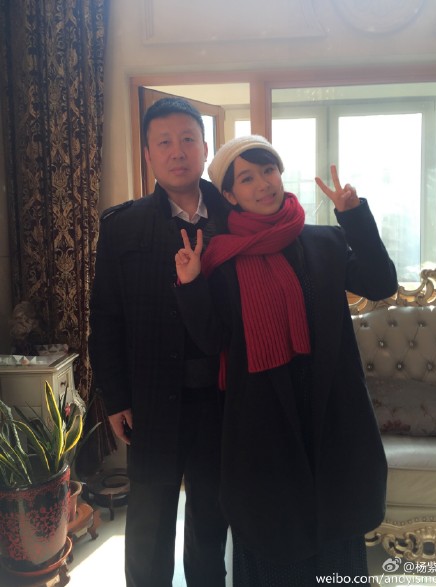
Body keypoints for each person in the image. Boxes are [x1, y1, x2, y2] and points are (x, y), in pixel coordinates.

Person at [173, 135, 398, 586]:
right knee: (276, 548)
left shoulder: (324, 242)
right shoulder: (221, 260)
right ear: (229, 195)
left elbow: (381, 283)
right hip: (264, 426)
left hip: (331, 416)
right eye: (247, 178)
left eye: (268, 170)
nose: (263, 184)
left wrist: (353, 215)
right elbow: (211, 338)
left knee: (338, 547)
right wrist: (191, 283)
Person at [88, 97, 229, 587]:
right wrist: (115, 398)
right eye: (164, 142)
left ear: (205, 148)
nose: (177, 151)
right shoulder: (121, 226)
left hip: (222, 400)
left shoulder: (234, 219)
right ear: (148, 154)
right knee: (149, 526)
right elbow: (106, 318)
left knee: (210, 522)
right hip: (151, 400)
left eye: (188, 139)